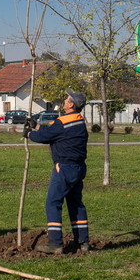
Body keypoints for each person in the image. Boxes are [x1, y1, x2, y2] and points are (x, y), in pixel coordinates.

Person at [24, 89, 89, 254]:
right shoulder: (79, 121)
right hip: (79, 168)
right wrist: (37, 126)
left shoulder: (63, 122)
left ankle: (55, 244)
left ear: (71, 104)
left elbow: (45, 137)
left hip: (64, 168)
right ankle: (83, 242)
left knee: (53, 203)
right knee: (76, 204)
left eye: (67, 99)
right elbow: (53, 133)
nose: (64, 101)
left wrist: (29, 133)